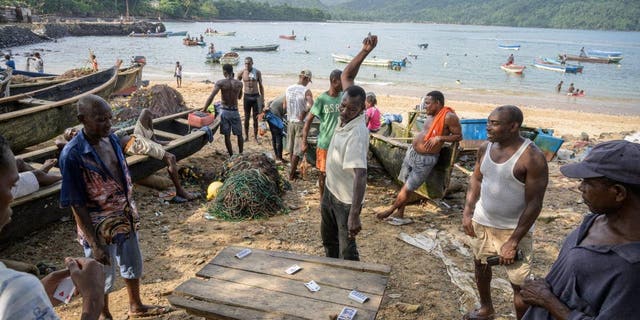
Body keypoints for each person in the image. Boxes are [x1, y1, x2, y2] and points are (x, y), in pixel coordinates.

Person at [59, 95, 170, 319]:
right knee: (100, 273)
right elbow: (76, 203)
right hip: (97, 225)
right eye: (101, 119)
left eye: (110, 118)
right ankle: (104, 314)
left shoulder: (111, 139)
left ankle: (135, 305)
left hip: (125, 214)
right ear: (83, 119)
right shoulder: (72, 154)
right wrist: (94, 243)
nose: (108, 124)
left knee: (132, 263)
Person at [520, 140, 640, 319]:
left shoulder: (632, 267)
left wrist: (548, 301)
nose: (580, 187)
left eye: (588, 182)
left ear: (618, 192)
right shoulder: (595, 220)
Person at [0, 135, 106, 319]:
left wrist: (40, 293)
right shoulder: (15, 288)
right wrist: (93, 299)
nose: (12, 195)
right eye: (11, 185)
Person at [461, 105, 549, 320]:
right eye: (488, 122)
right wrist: (468, 212)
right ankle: (486, 308)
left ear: (513, 126)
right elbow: (477, 179)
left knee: (519, 284)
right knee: (481, 265)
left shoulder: (532, 157)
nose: (488, 127)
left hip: (514, 229)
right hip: (483, 221)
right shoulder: (485, 148)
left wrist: (514, 241)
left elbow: (535, 204)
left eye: (494, 123)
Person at [321, 34, 377, 261]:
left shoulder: (357, 133)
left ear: (361, 111)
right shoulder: (346, 107)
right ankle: (333, 276)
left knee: (347, 249)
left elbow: (361, 174)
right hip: (330, 190)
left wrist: (355, 214)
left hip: (345, 200)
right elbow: (347, 75)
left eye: (350, 110)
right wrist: (364, 51)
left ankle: (353, 283)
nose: (344, 112)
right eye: (343, 106)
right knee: (328, 240)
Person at [376, 91, 462, 221]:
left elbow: (459, 136)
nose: (425, 106)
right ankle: (400, 213)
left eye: (428, 103)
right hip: (412, 152)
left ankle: (391, 210)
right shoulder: (430, 114)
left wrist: (440, 138)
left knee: (408, 187)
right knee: (404, 183)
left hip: (425, 159)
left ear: (437, 103)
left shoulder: (448, 117)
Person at [118, 109, 197, 201]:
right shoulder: (102, 133)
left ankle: (153, 139)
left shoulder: (105, 125)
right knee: (171, 158)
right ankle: (180, 191)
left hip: (135, 136)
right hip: (135, 145)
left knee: (146, 112)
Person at [203, 64, 244, 157]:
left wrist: (204, 109)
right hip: (235, 111)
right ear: (232, 72)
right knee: (239, 134)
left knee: (227, 135)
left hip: (225, 111)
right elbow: (240, 97)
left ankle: (231, 156)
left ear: (225, 72)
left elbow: (211, 96)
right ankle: (241, 154)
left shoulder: (220, 82)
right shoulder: (239, 83)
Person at [284, 69, 314, 180]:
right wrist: (304, 112)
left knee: (292, 148)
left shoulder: (289, 88)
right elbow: (311, 105)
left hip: (290, 121)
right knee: (297, 150)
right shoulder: (306, 90)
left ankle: (292, 170)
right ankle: (291, 175)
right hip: (300, 123)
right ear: (306, 78)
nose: (308, 82)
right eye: (308, 80)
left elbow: (284, 105)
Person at [237, 57, 265, 143]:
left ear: (252, 63)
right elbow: (237, 84)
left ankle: (255, 137)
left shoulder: (257, 72)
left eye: (248, 63)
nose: (247, 65)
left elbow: (260, 85)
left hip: (256, 96)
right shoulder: (242, 72)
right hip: (247, 96)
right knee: (246, 117)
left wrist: (262, 98)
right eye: (245, 63)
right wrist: (239, 94)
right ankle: (246, 136)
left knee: (256, 118)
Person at [263, 94, 286, 163]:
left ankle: (277, 156)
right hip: (274, 117)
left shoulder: (283, 96)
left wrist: (267, 107)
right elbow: (285, 108)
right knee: (279, 137)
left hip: (270, 114)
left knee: (274, 136)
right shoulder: (288, 98)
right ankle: (279, 158)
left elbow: (270, 102)